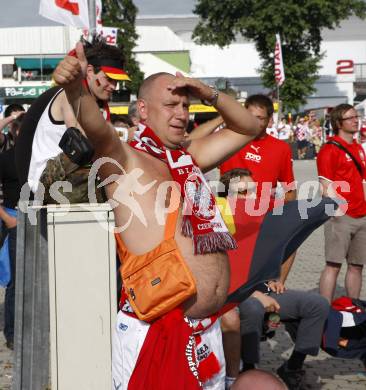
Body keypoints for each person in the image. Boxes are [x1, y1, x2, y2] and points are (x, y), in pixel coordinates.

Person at [53, 42, 260, 389]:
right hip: (155, 331)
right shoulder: (124, 159)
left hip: (205, 330)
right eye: (170, 104)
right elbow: (97, 129)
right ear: (143, 111)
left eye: (185, 104)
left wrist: (207, 93)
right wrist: (75, 88)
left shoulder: (188, 156)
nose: (181, 113)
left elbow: (248, 127)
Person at [217, 169, 329, 390]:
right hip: (233, 296)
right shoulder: (219, 224)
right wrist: (255, 294)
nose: (250, 198)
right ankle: (248, 370)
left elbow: (289, 245)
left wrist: (277, 277)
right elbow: (222, 278)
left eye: (252, 191)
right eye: (242, 193)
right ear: (226, 196)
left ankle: (293, 367)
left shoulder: (264, 217)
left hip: (262, 289)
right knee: (253, 309)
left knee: (317, 305)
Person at [15, 34, 130, 203]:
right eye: (109, 79)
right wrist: (127, 135)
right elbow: (82, 142)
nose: (113, 86)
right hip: (48, 182)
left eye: (116, 81)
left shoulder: (93, 104)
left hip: (65, 179)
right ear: (90, 72)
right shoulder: (68, 95)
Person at [220, 94, 297, 282]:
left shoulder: (281, 148)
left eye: (260, 118)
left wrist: (286, 214)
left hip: (264, 216)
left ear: (269, 120)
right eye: (249, 115)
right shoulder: (226, 139)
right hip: (231, 215)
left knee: (292, 242)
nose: (253, 121)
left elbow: (290, 189)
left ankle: (274, 289)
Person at [317, 104, 366, 302]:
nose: (356, 120)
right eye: (351, 118)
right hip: (341, 215)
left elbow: (363, 181)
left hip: (362, 214)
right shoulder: (329, 149)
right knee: (333, 264)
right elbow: (325, 185)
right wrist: (335, 213)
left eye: (357, 116)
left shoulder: (358, 148)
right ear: (338, 123)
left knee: (356, 266)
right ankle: (323, 311)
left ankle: (353, 308)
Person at [0, 115, 23, 350]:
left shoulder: (41, 159)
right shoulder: (5, 158)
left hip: (40, 219)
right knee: (15, 282)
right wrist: (7, 219)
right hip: (14, 219)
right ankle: (12, 333)